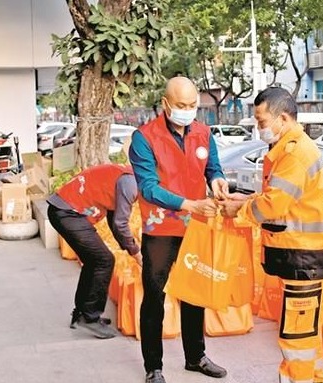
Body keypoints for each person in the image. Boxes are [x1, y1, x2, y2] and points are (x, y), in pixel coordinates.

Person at [219, 87, 323, 383]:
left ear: (282, 118)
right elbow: (279, 197)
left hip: (304, 258)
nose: (259, 129)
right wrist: (243, 201)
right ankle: (313, 377)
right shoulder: (288, 148)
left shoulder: (296, 153)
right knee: (307, 331)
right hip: (304, 256)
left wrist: (238, 212)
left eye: (261, 122)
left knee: (297, 336)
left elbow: (274, 204)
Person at [129, 76, 229, 383]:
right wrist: (190, 205)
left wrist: (217, 181)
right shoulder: (144, 138)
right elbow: (148, 188)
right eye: (181, 105)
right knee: (155, 297)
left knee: (194, 293)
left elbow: (213, 167)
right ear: (165, 104)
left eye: (192, 105)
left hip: (195, 227)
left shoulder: (203, 132)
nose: (187, 111)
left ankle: (195, 357)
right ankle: (153, 367)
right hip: (161, 229)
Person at [47, 164, 141, 339]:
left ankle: (82, 313)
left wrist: (130, 249)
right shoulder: (131, 183)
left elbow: (115, 222)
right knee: (103, 260)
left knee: (94, 261)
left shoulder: (129, 177)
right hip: (68, 213)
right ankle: (89, 318)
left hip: (65, 210)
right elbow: (120, 225)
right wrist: (137, 254)